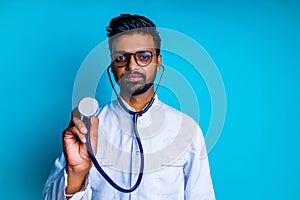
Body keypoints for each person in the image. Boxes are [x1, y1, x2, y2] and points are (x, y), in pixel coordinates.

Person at [43, 14, 215, 200]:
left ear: (158, 62)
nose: (132, 65)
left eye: (144, 56)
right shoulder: (87, 129)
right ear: (113, 64)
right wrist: (77, 172)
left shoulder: (187, 130)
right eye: (121, 57)